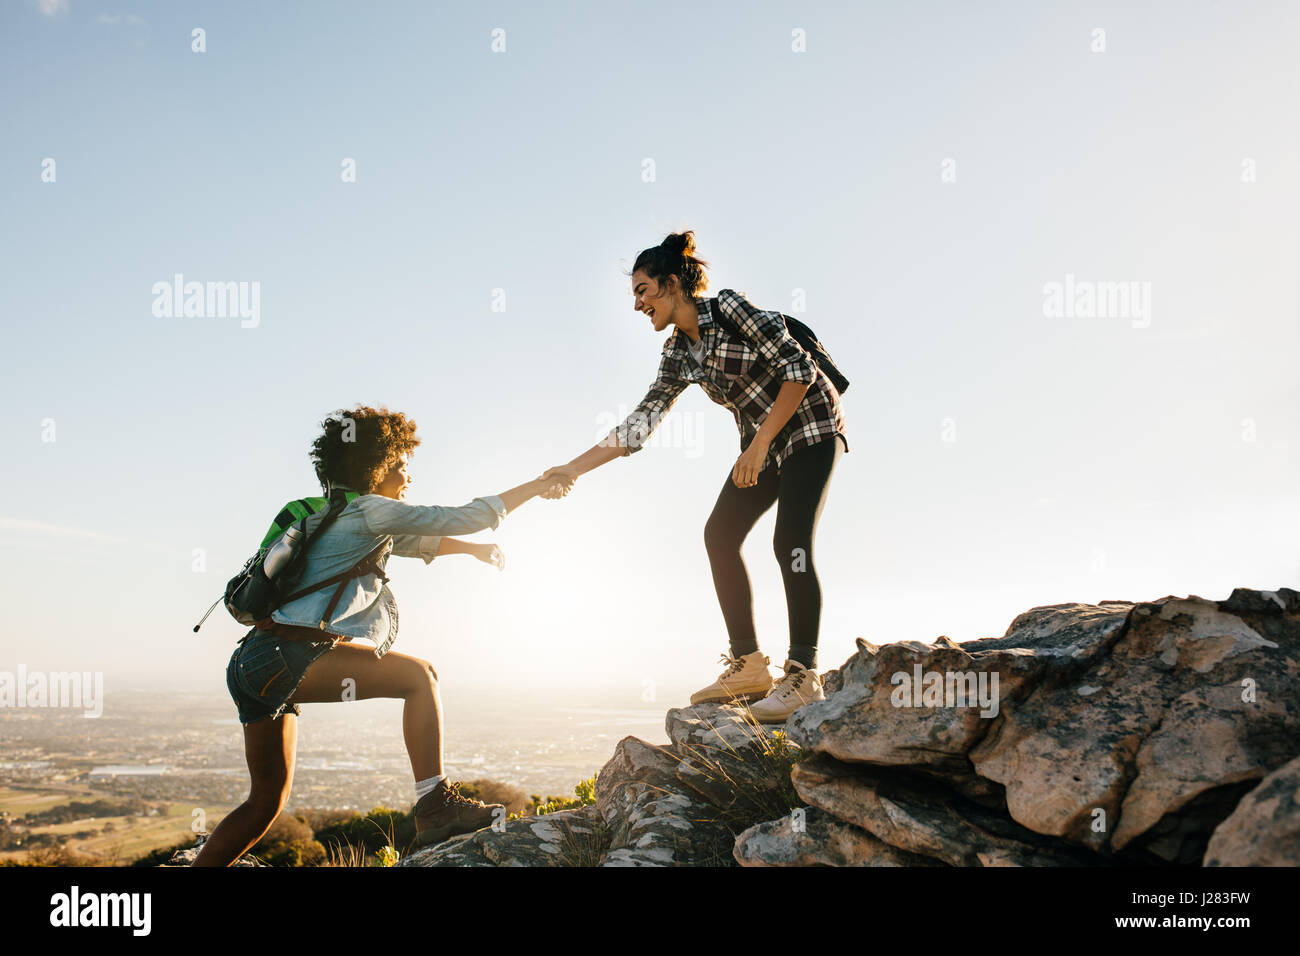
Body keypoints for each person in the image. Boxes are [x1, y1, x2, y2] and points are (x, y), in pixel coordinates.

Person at [193, 405, 571, 866]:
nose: (408, 475)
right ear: (377, 465)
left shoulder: (331, 516)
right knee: (420, 676)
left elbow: (420, 542)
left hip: (252, 665)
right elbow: (459, 516)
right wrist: (536, 485)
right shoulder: (372, 511)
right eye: (401, 464)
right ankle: (435, 805)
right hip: (288, 657)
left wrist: (472, 551)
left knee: (265, 803)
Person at [542, 231, 848, 722]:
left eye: (642, 291)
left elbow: (799, 369)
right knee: (719, 534)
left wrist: (761, 443)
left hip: (810, 426)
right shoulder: (678, 355)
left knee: (789, 539)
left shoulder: (729, 308)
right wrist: (571, 469)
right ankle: (748, 665)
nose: (638, 304)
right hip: (762, 447)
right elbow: (639, 424)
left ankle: (802, 674)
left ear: (670, 284)